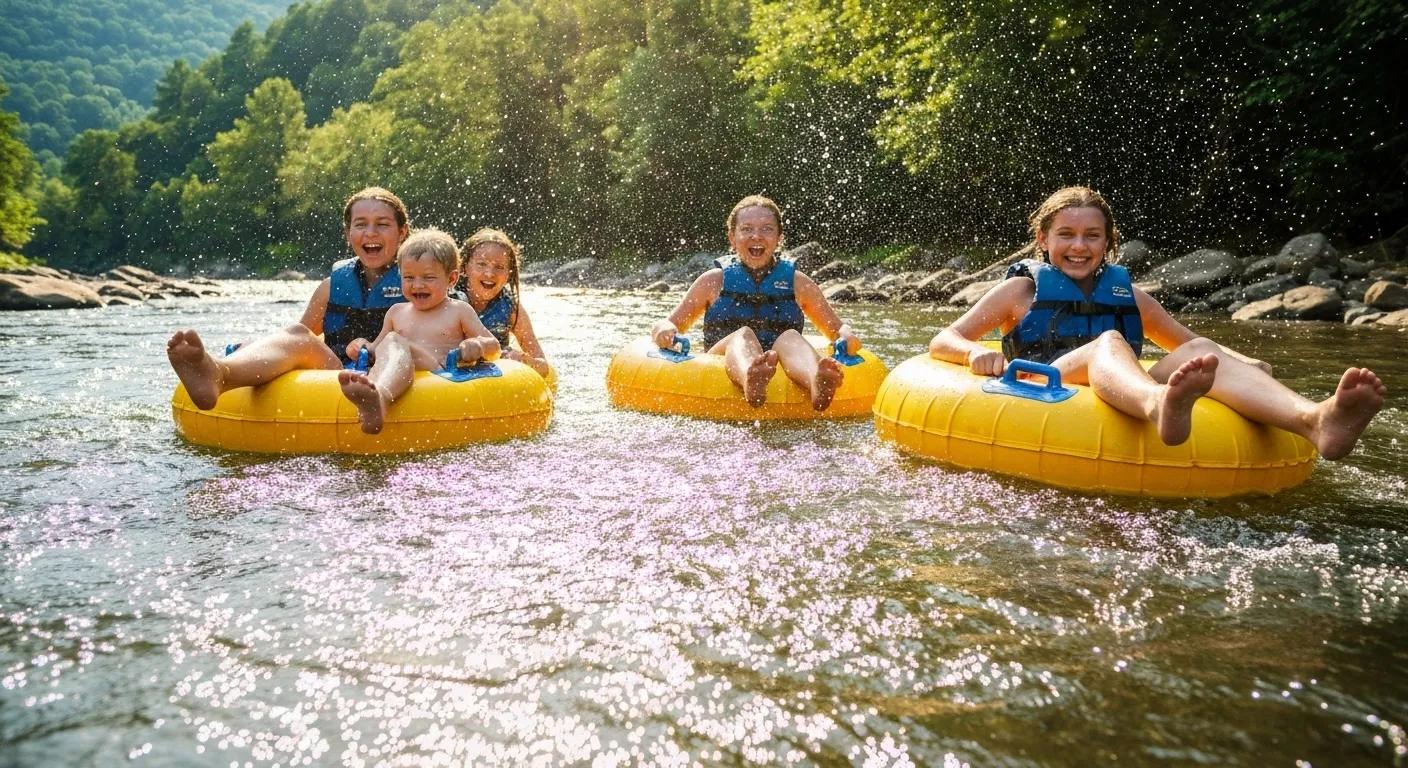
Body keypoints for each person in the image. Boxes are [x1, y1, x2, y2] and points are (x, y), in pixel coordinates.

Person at [928, 185, 1386, 458]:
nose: (1079, 246)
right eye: (1066, 235)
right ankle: (1157, 405)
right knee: (1109, 341)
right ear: (1044, 240)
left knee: (1202, 350)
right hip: (1042, 383)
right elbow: (943, 339)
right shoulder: (1020, 291)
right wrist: (975, 352)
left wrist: (1247, 363)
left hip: (1115, 384)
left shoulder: (1132, 296)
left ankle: (1315, 420)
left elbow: (1189, 345)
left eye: (1092, 235)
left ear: (1108, 243)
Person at [167, 186, 411, 409]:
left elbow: (440, 336)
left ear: (402, 232)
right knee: (298, 333)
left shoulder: (421, 285)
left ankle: (375, 397)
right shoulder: (331, 288)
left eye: (382, 224)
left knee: (393, 343)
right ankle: (219, 374)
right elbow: (299, 338)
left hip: (393, 376)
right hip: (337, 375)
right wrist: (254, 348)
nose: (371, 233)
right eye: (360, 224)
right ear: (348, 234)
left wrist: (373, 347)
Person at [650, 194, 861, 411]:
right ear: (732, 238)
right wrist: (665, 330)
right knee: (742, 335)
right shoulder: (712, 281)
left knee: (790, 337)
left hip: (782, 363)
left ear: (779, 238)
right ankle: (751, 377)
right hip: (719, 365)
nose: (757, 236)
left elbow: (836, 329)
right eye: (747, 229)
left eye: (767, 229)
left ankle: (816, 381)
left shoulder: (798, 283)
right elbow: (670, 323)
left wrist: (847, 335)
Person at [339, 228, 501, 434]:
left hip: (437, 372)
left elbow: (494, 347)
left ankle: (380, 397)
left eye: (428, 277)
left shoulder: (458, 310)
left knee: (395, 340)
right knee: (392, 341)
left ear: (451, 279)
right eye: (409, 277)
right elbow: (376, 350)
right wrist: (361, 347)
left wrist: (478, 345)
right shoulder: (396, 312)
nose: (417, 285)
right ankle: (375, 393)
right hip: (399, 368)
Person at [454, 227, 550, 378]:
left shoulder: (511, 308)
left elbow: (543, 367)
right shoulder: (449, 300)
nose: (490, 274)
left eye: (499, 267)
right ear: (465, 268)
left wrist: (523, 360)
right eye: (481, 264)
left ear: (508, 275)